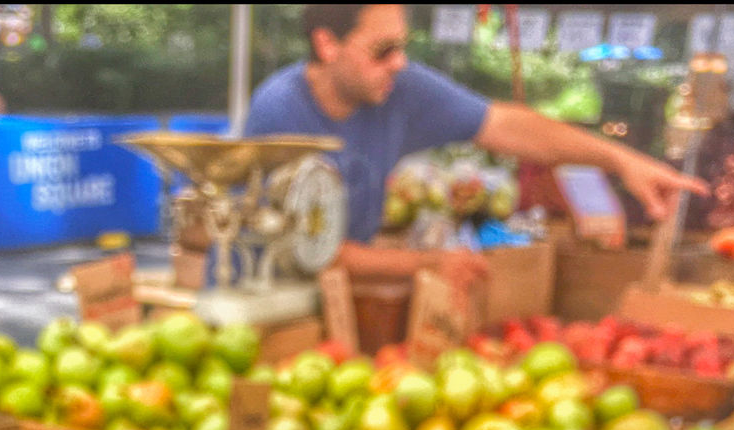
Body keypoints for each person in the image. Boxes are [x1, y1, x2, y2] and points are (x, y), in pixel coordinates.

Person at [244, 3, 707, 286]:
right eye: (382, 50)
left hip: (329, 300)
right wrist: (427, 263)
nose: (399, 63)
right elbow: (311, 251)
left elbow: (505, 124)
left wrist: (619, 159)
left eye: (402, 47)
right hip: (265, 306)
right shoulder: (280, 112)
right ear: (327, 44)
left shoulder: (397, 89)